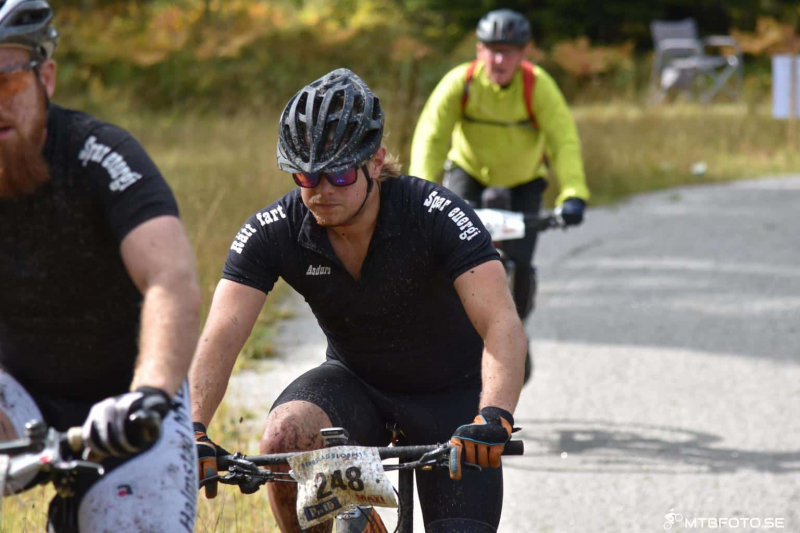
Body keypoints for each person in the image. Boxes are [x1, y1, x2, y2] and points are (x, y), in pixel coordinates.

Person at [190, 68, 527, 533]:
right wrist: (192, 428)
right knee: (285, 436)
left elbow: (501, 323)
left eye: (341, 173)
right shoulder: (276, 228)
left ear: (376, 162)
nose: (323, 190)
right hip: (356, 388)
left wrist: (494, 416)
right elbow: (222, 333)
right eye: (307, 175)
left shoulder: (435, 213)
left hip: (451, 397)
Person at [0, 1, 201, 531]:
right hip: (16, 395)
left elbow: (170, 279)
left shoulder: (100, 156)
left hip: (127, 398)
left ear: (45, 77)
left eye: (7, 79)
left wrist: (150, 393)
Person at [409, 9, 591, 382]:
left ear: (524, 53)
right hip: (469, 173)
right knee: (449, 256)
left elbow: (563, 140)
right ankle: (449, 330)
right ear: (479, 50)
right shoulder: (459, 84)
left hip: (524, 181)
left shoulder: (537, 86)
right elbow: (431, 137)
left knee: (520, 264)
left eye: (508, 52)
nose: (499, 60)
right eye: (491, 50)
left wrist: (573, 193)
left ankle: (515, 330)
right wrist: (417, 193)